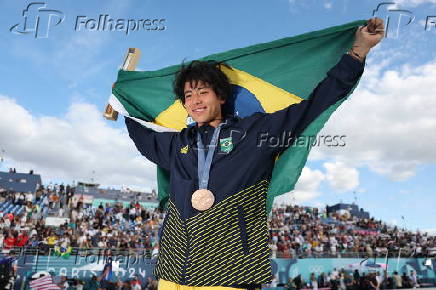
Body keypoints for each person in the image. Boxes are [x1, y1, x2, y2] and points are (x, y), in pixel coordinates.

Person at [125, 18, 384, 289]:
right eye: (189, 96)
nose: (196, 101)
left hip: (231, 271)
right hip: (174, 269)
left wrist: (357, 53)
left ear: (222, 97)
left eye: (203, 92)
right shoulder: (178, 144)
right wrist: (122, 108)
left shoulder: (256, 133)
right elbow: (144, 138)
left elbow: (314, 105)